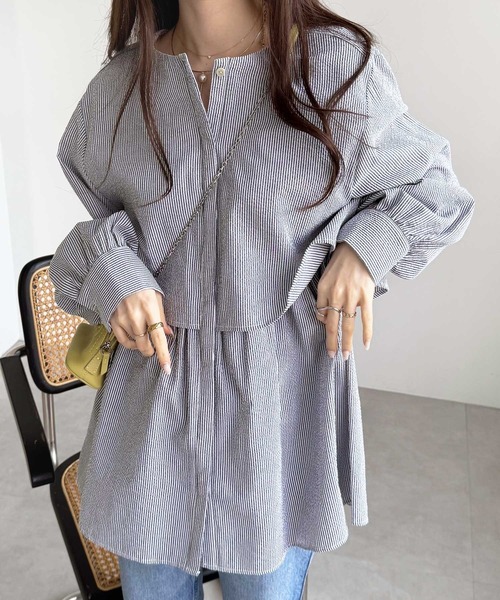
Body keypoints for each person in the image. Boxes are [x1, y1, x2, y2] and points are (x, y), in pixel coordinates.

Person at [48, 0, 475, 598]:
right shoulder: (121, 86)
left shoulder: (331, 67)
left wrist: (361, 251)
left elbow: (434, 189)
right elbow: (93, 238)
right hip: (150, 408)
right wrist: (117, 274)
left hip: (277, 411)